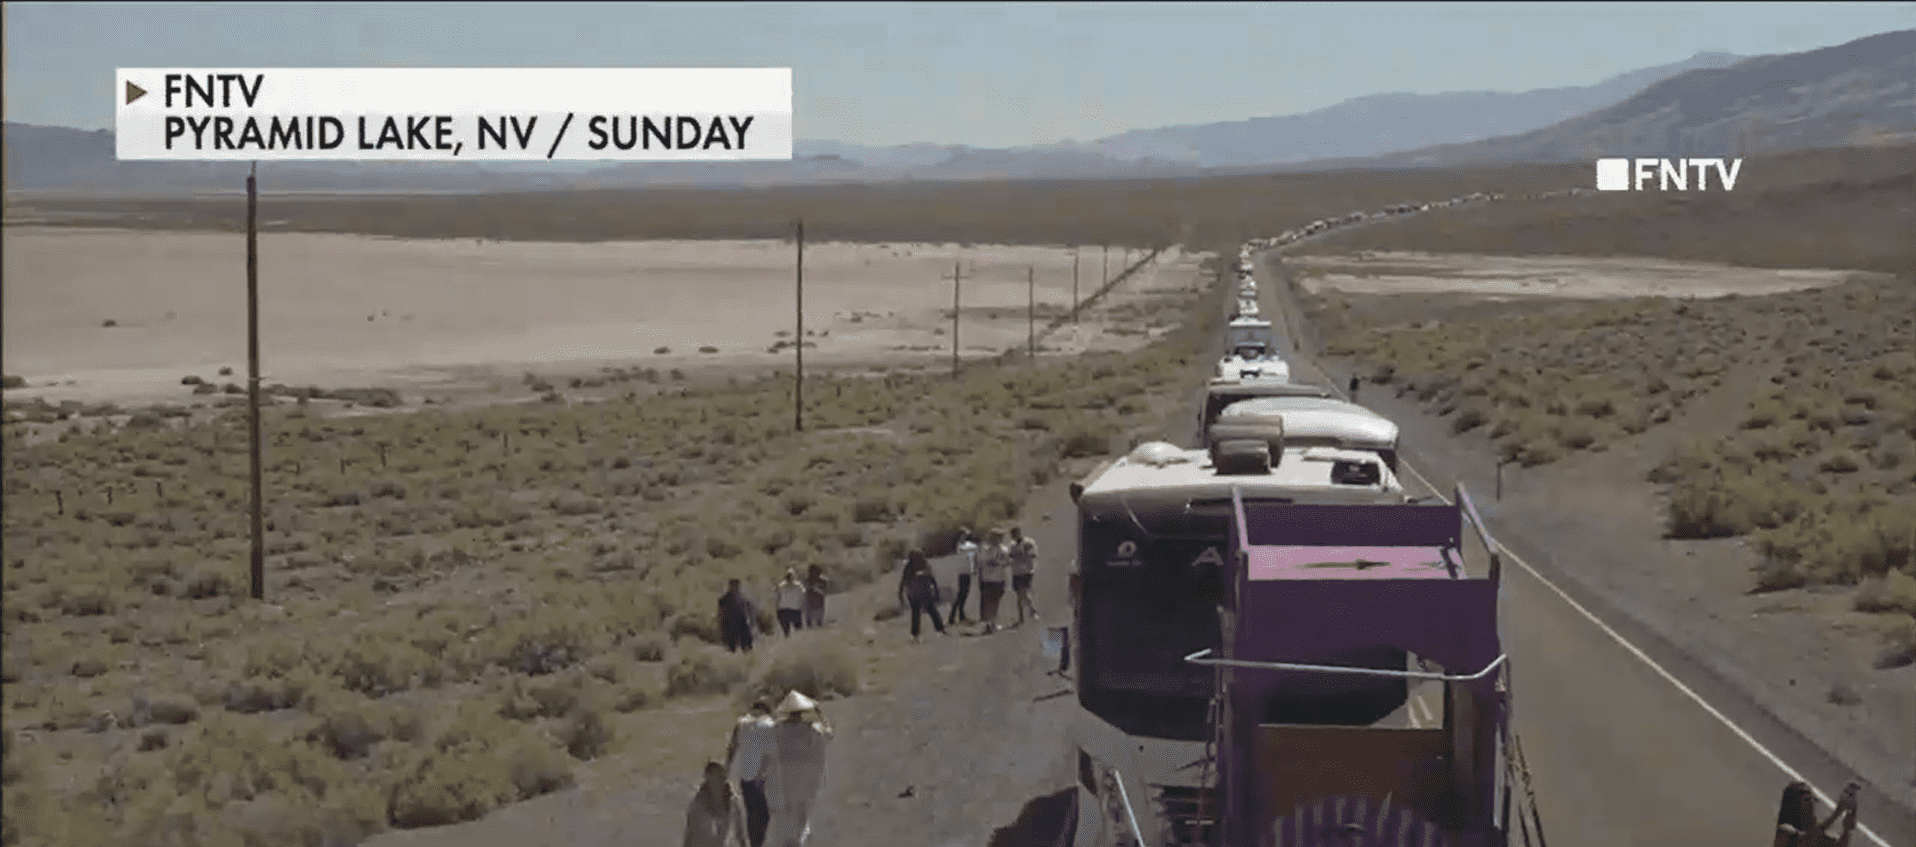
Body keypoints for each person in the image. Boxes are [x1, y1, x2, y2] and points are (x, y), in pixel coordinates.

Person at [763, 690, 833, 847]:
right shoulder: (813, 729)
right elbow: (828, 735)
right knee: (801, 821)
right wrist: (820, 712)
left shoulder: (777, 729)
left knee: (785, 822)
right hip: (806, 782)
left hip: (784, 781)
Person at [726, 701, 776, 847]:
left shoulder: (741, 723)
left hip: (747, 777)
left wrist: (727, 768)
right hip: (764, 777)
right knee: (764, 815)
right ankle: (757, 843)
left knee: (752, 812)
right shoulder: (770, 724)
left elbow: (732, 747)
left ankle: (754, 842)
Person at [1773, 781, 1859, 847]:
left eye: (1812, 800)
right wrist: (1837, 812)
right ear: (1794, 805)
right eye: (1807, 800)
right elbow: (1807, 841)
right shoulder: (1784, 831)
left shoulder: (1814, 832)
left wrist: (1847, 828)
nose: (1812, 804)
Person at [683, 760, 740, 847]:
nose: (719, 782)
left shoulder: (732, 804)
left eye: (721, 777)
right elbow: (689, 835)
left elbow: (740, 834)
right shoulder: (697, 805)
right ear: (708, 779)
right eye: (716, 777)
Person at [896, 549, 946, 641]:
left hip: (917, 594)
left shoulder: (913, 566)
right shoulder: (917, 565)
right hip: (919, 593)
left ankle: (917, 634)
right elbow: (932, 579)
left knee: (921, 613)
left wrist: (901, 594)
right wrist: (936, 591)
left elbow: (903, 582)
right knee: (927, 612)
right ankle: (938, 629)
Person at [976, 529, 1010, 634]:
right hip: (992, 580)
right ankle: (989, 625)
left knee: (992, 603)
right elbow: (980, 566)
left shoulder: (997, 550)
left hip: (995, 579)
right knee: (990, 603)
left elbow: (1006, 564)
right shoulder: (989, 550)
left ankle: (991, 624)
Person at [1007, 526, 1041, 627]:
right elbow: (1009, 556)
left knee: (1024, 592)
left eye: (1015, 534)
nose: (1014, 536)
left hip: (1026, 571)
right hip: (1016, 572)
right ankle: (1022, 616)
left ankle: (1032, 611)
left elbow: (1034, 555)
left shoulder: (1028, 543)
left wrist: (1024, 554)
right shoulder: (1011, 545)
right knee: (1019, 595)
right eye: (1012, 535)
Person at [718, 579, 757, 654]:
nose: (735, 588)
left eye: (736, 586)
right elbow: (720, 613)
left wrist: (752, 622)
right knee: (732, 645)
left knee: (746, 642)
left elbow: (750, 611)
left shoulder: (742, 598)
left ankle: (745, 652)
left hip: (740, 622)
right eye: (734, 586)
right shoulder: (725, 599)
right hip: (729, 623)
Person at [949, 528, 979, 624]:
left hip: (966, 572)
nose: (966, 537)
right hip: (963, 573)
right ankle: (953, 616)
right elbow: (969, 552)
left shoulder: (965, 545)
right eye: (964, 535)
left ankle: (960, 615)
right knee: (961, 594)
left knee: (964, 594)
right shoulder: (961, 546)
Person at [774, 569, 806, 636]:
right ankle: (797, 643)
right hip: (795, 609)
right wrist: (803, 608)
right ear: (794, 577)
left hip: (783, 610)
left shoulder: (780, 586)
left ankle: (788, 641)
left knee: (786, 632)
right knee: (798, 630)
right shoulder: (799, 585)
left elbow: (777, 599)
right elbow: (803, 596)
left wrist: (776, 611)